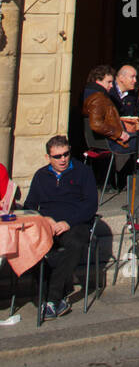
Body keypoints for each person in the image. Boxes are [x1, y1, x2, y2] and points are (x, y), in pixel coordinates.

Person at [24, 135, 99, 319]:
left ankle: (52, 300)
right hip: (47, 225)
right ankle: (53, 298)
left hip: (75, 223)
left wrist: (68, 222)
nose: (63, 159)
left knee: (75, 243)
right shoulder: (41, 175)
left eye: (66, 154)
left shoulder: (83, 172)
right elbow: (29, 206)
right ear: (48, 157)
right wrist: (45, 219)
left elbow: (91, 205)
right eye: (57, 156)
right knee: (30, 245)